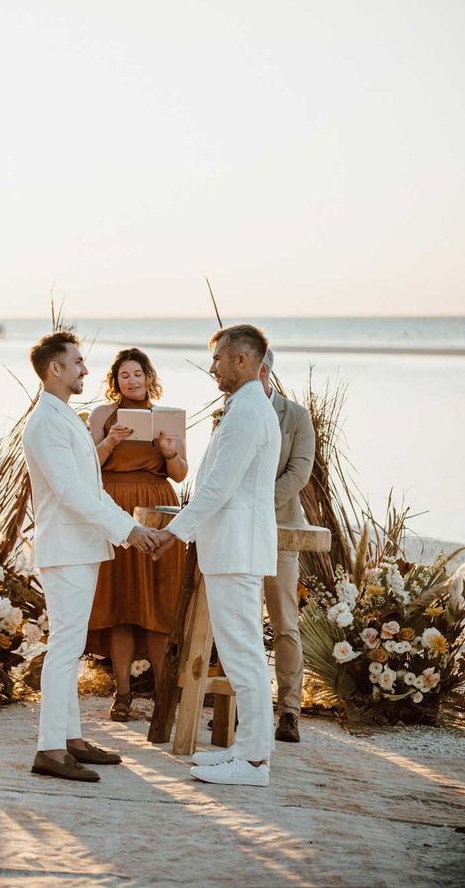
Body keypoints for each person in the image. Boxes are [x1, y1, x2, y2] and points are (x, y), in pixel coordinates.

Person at [22, 330, 161, 783]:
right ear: (55, 369)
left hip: (82, 547)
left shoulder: (66, 416)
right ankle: (49, 748)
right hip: (65, 549)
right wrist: (127, 530)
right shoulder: (45, 422)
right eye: (77, 362)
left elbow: (93, 489)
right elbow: (70, 492)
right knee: (64, 647)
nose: (85, 369)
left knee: (71, 645)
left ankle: (72, 739)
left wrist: (130, 530)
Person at [153, 324, 281, 787]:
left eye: (218, 359)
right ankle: (248, 753)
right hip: (232, 547)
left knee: (243, 654)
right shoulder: (246, 407)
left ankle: (251, 763)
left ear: (243, 361)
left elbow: (219, 487)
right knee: (239, 652)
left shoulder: (248, 413)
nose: (212, 367)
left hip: (237, 548)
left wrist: (175, 532)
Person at [85, 348, 188, 720]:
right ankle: (123, 694)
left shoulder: (168, 417)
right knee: (121, 605)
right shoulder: (101, 415)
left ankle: (165, 694)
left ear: (149, 377)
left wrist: (169, 451)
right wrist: (110, 441)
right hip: (114, 510)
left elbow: (179, 474)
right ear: (116, 381)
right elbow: (85, 467)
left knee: (158, 604)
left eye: (138, 374)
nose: (132, 381)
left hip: (158, 508)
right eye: (124, 375)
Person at [260, 348, 316, 744]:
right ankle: (244, 707)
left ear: (262, 369)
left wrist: (257, 504)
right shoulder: (227, 414)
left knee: (284, 622)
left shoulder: (295, 416)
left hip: (281, 528)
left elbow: (299, 472)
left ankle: (289, 712)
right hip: (238, 532)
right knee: (239, 621)